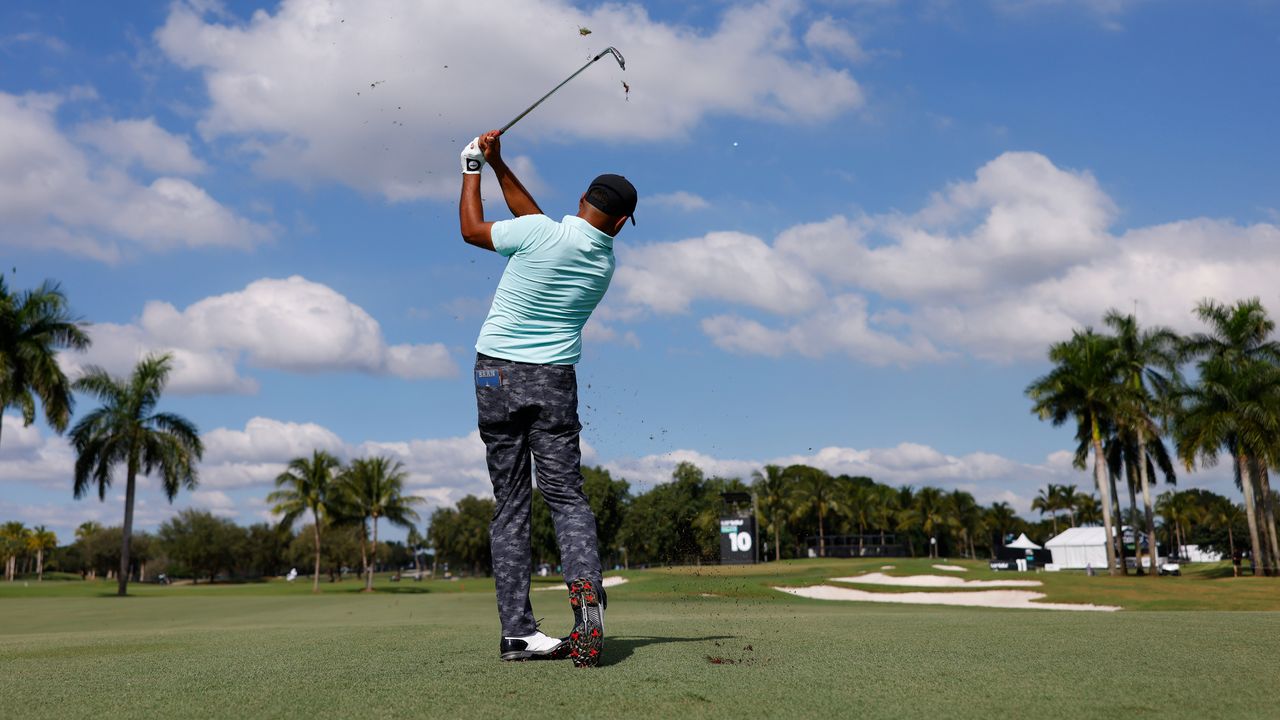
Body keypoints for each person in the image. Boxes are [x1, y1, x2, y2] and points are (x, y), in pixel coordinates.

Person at [458, 130, 636, 667]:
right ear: (622, 223)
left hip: (495, 375)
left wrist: (471, 168)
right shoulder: (604, 264)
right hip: (553, 380)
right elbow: (535, 222)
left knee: (511, 504)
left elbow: (473, 230)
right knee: (566, 498)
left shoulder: (540, 233)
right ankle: (586, 599)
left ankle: (518, 633)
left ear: (580, 201)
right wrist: (499, 164)